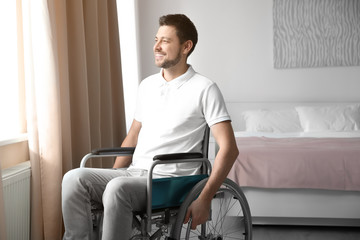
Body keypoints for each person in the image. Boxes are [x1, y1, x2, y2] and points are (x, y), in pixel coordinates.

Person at [62, 14, 239, 240]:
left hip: (171, 181)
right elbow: (133, 136)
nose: (156, 46)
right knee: (73, 179)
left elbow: (229, 149)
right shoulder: (147, 85)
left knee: (117, 189)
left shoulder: (205, 88)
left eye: (165, 41)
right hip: (135, 174)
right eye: (156, 39)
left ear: (186, 46)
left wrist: (205, 198)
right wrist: (116, 175)